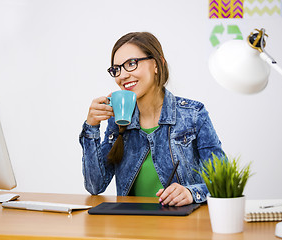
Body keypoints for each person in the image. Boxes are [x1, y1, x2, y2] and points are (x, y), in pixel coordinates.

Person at [79, 32, 225, 207]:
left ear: (156, 64)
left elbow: (222, 183)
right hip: (132, 228)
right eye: (117, 69)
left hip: (181, 227)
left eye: (131, 64)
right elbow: (95, 185)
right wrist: (91, 128)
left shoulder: (193, 114)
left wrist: (191, 193)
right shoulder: (117, 121)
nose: (122, 76)